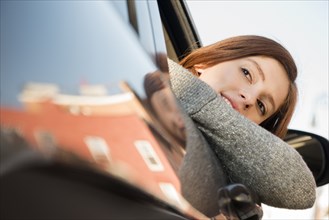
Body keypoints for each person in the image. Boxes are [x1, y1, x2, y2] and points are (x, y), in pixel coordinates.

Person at [167, 35, 316, 217]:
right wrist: (195, 92)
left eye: (262, 106)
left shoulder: (229, 180)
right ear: (206, 62)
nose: (250, 98)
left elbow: (300, 188)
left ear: (257, 130)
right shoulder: (153, 75)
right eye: (247, 73)